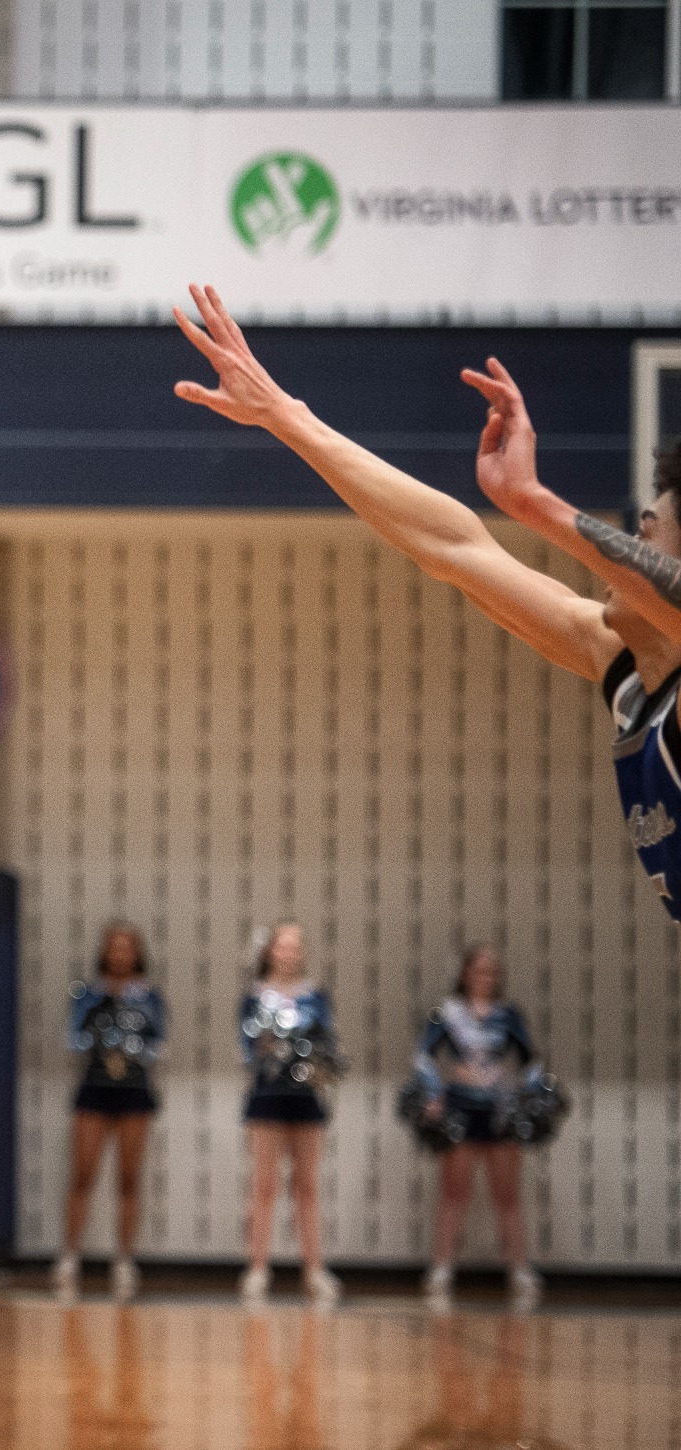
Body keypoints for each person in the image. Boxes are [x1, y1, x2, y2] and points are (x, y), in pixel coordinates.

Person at [172, 283, 681, 920]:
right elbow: (453, 547)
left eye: (646, 535)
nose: (627, 544)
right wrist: (284, 416)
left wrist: (534, 503)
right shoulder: (625, 668)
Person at [413, 945, 545, 1310]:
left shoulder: (508, 1014)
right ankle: (442, 1268)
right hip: (461, 1109)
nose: (484, 976)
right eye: (478, 969)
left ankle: (519, 1269)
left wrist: (530, 1096)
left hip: (499, 1110)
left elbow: (531, 1061)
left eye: (491, 970)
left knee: (507, 1194)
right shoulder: (447, 1013)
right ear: (464, 973)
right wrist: (434, 1093)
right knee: (453, 1191)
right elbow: (423, 1057)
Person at [53, 921, 166, 1300]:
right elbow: (74, 1038)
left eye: (127, 947)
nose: (120, 954)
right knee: (82, 1174)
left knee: (129, 1178)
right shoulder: (87, 994)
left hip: (134, 1091)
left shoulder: (149, 997)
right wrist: (103, 1043)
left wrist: (131, 1050)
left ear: (137, 953)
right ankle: (69, 1258)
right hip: (95, 1089)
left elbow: (158, 1043)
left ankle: (124, 1261)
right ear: (104, 951)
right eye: (114, 946)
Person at [237, 922, 342, 1305]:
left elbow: (327, 1043)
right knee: (263, 1185)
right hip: (267, 1098)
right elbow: (247, 1047)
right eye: (282, 946)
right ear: (270, 952)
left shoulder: (316, 997)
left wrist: (316, 1062)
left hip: (307, 1099)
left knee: (307, 1187)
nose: (289, 953)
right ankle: (257, 1269)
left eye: (295, 947)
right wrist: (267, 1047)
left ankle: (314, 1270)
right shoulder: (253, 998)